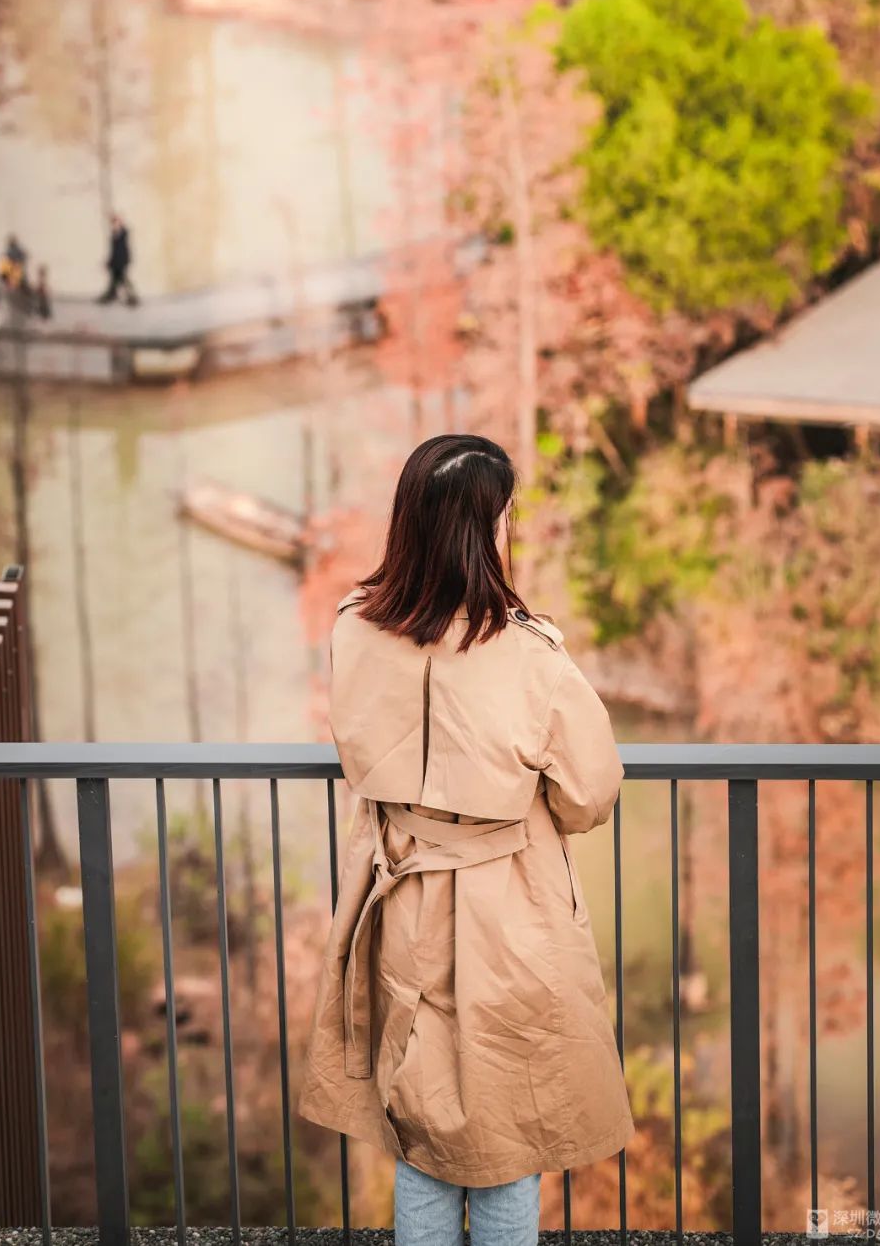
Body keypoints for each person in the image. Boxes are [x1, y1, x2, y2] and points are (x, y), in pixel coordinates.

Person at [297, 434, 634, 1246]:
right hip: (505, 912)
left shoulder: (354, 631)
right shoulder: (527, 655)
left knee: (422, 1123)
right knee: (505, 1133)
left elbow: (357, 756)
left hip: (397, 896)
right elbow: (589, 795)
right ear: (490, 527)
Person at [98, 213, 139, 305]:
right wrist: (109, 262)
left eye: (115, 222)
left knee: (123, 280)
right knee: (114, 281)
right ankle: (111, 296)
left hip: (121, 261)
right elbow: (113, 251)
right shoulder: (114, 234)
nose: (114, 224)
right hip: (115, 262)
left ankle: (132, 297)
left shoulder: (123, 232)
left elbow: (122, 249)